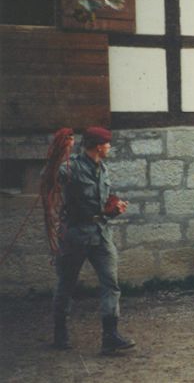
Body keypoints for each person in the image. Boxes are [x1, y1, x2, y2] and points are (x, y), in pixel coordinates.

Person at [49, 127, 135, 354]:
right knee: (66, 283)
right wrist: (59, 152)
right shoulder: (72, 166)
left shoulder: (102, 168)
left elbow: (102, 200)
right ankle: (60, 333)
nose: (109, 147)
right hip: (76, 235)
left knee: (111, 283)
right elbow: (49, 178)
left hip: (101, 233)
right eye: (107, 144)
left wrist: (114, 208)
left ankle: (110, 336)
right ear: (98, 146)